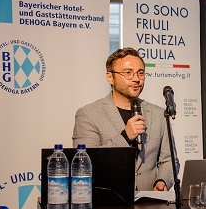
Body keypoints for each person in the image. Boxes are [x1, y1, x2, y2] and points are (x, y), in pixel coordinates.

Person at [72, 47, 172, 192]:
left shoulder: (159, 114)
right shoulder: (88, 114)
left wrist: (162, 181)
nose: (136, 79)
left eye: (140, 73)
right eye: (128, 73)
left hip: (150, 201)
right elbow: (84, 164)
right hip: (108, 202)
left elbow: (169, 160)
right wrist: (125, 137)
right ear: (110, 77)